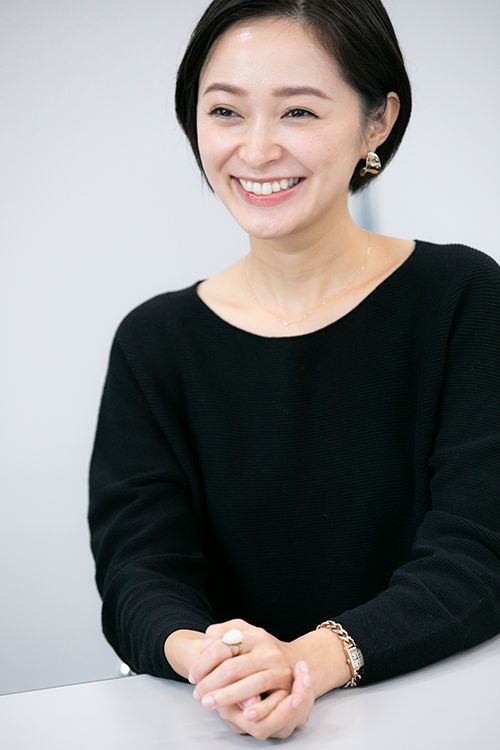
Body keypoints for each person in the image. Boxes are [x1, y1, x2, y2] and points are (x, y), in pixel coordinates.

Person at [87, 0, 500, 741]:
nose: (256, 149)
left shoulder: (464, 298)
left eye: (299, 112)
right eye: (225, 111)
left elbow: (479, 553)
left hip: (436, 714)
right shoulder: (154, 342)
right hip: (224, 722)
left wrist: (305, 662)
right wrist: (217, 664)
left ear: (377, 122)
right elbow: (137, 573)